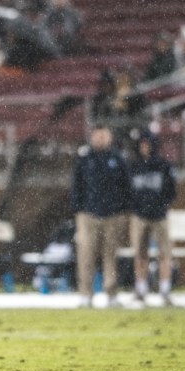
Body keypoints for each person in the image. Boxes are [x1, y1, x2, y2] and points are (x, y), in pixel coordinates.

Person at [70, 124, 131, 308]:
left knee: (111, 255)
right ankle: (85, 294)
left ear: (110, 137)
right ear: (92, 137)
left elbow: (126, 186)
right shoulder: (84, 158)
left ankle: (111, 294)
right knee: (86, 255)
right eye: (98, 136)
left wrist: (122, 210)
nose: (101, 139)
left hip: (113, 215)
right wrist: (79, 209)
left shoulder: (118, 158)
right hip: (88, 215)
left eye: (104, 136)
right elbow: (76, 185)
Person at [128, 131, 177, 305]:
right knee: (140, 254)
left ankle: (164, 290)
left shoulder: (163, 165)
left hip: (159, 215)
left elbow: (172, 190)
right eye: (142, 144)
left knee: (164, 254)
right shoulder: (133, 165)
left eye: (147, 144)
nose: (144, 147)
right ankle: (141, 289)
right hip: (139, 216)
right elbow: (128, 190)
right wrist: (136, 207)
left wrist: (162, 205)